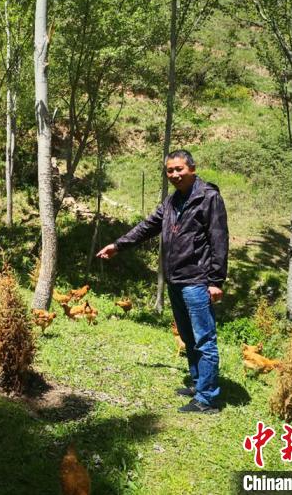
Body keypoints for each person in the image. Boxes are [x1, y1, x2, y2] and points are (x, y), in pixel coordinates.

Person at [96, 149, 228, 414]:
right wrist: (118, 245)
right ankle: (198, 383)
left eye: (179, 169)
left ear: (192, 169)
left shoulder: (208, 197)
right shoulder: (171, 201)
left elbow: (219, 238)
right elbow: (147, 227)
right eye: (170, 170)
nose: (175, 174)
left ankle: (207, 399)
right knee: (188, 336)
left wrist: (216, 280)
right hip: (175, 279)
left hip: (197, 279)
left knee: (204, 339)